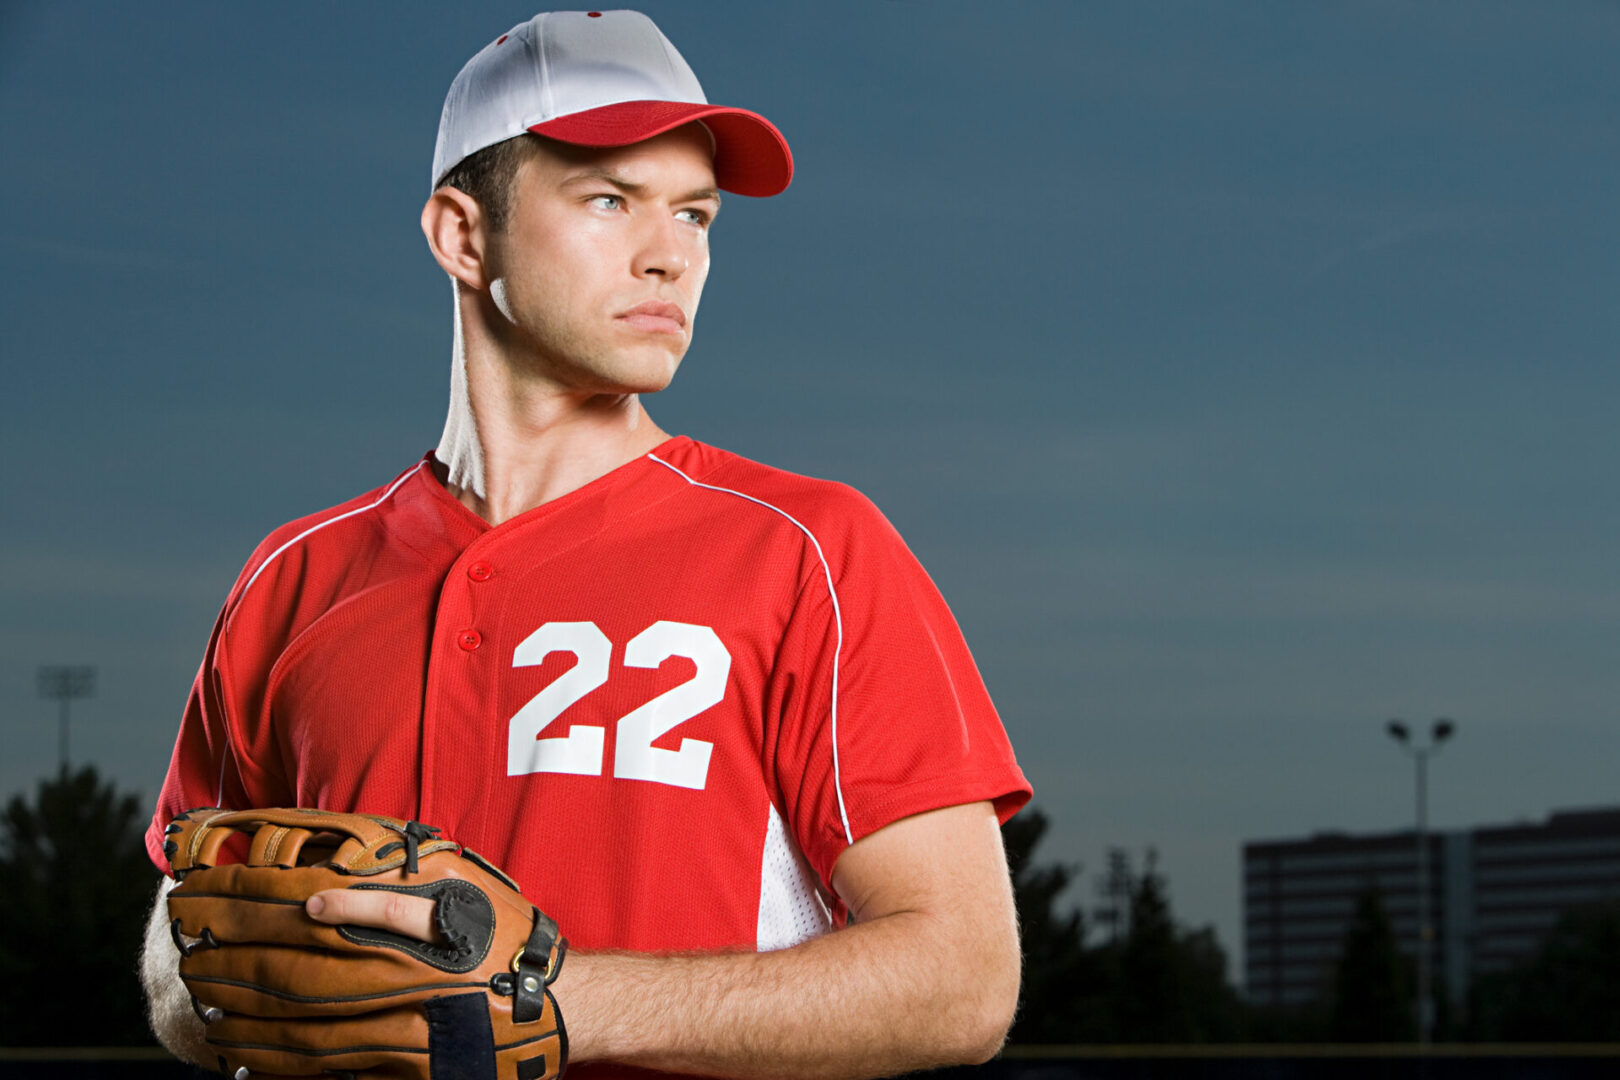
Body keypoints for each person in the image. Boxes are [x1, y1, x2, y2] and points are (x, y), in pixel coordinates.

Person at [141, 11, 1030, 1078]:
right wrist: (254, 999)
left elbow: (964, 978)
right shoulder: (294, 577)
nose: (671, 257)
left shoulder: (809, 551)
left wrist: (564, 1003)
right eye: (610, 200)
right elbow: (180, 936)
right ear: (464, 237)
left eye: (695, 215)